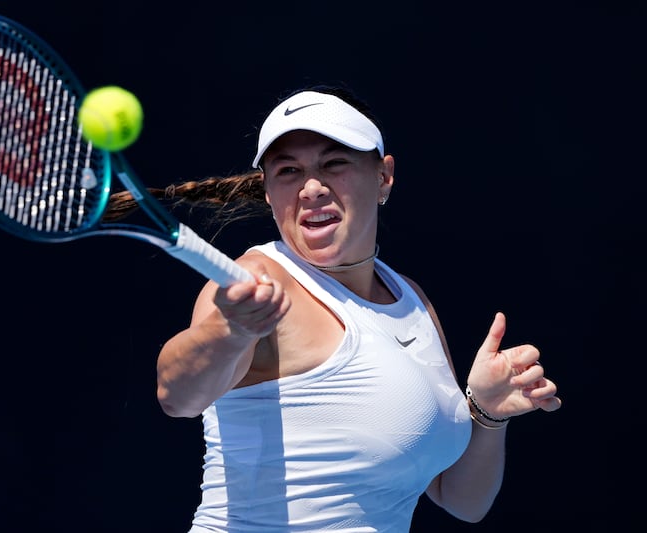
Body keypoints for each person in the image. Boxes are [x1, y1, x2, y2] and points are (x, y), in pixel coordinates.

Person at [112, 84, 562, 532]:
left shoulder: (409, 297)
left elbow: (461, 499)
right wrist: (230, 332)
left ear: (383, 176)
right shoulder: (254, 280)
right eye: (288, 171)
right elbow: (177, 396)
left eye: (334, 164)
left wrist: (486, 415)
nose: (311, 188)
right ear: (268, 191)